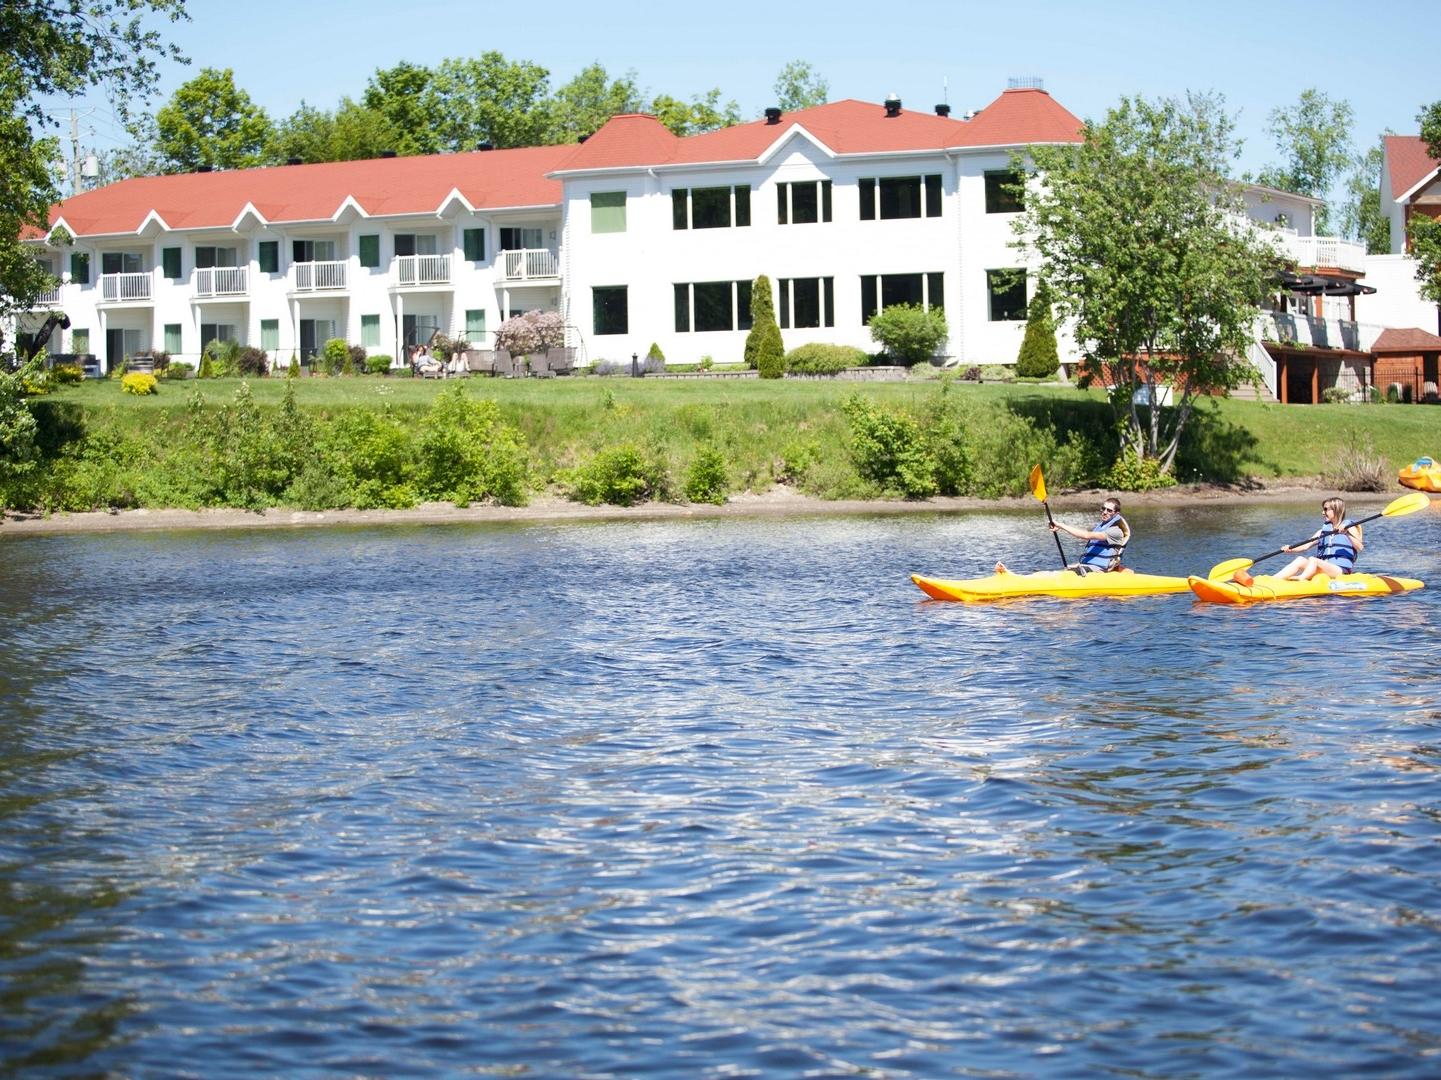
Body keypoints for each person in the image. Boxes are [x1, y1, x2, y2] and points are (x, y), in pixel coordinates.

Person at [995, 498, 1131, 576]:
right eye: (1103, 509)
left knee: (1064, 574)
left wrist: (1060, 525)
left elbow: (1086, 535)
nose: (1105, 512)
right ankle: (1015, 576)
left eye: (1109, 510)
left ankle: (1015, 577)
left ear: (1116, 513)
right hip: (1088, 567)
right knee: (1053, 573)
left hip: (1098, 571)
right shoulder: (1102, 526)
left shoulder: (1115, 531)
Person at [1271, 497, 1362, 581]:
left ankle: (1301, 579)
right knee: (1300, 560)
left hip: (1340, 570)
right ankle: (1272, 580)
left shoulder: (1349, 528)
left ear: (1336, 510)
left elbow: (1359, 547)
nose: (1323, 512)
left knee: (1313, 560)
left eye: (1326, 509)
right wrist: (1290, 548)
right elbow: (1305, 546)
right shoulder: (1322, 532)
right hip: (1324, 567)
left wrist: (1347, 533)